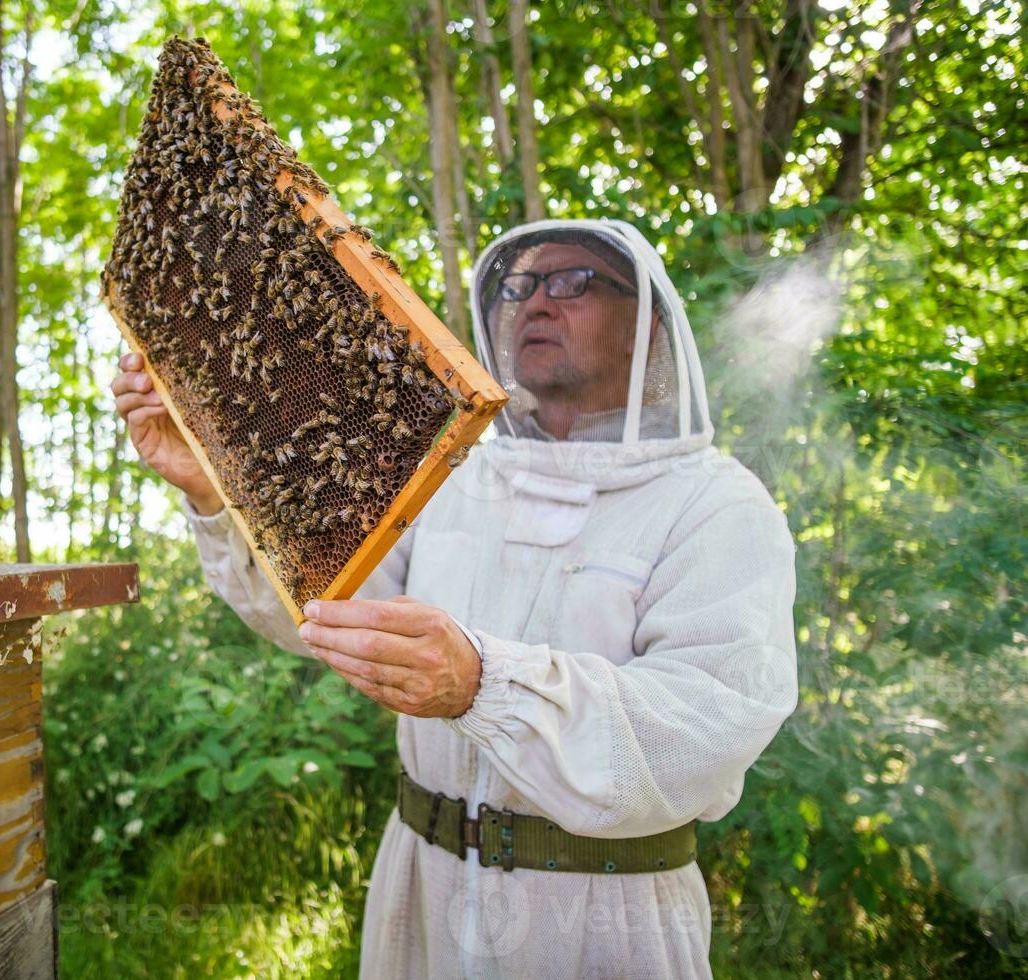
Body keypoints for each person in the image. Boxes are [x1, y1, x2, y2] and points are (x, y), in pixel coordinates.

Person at [110, 218, 798, 979]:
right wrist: (212, 488)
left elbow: (705, 726)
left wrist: (483, 684)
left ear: (645, 329)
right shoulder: (454, 478)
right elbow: (329, 613)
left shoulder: (714, 504)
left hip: (602, 921)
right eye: (517, 286)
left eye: (573, 282)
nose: (535, 302)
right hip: (421, 895)